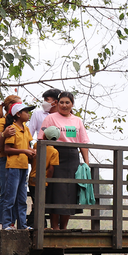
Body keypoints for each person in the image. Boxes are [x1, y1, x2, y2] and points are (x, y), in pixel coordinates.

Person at [39, 91, 91, 230]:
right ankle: (54, 227)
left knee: (70, 191)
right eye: (61, 102)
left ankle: (64, 227)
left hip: (72, 157)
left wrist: (86, 162)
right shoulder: (50, 118)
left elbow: (83, 142)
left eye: (67, 102)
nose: (64, 105)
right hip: (55, 154)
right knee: (56, 191)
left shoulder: (77, 120)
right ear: (57, 103)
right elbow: (41, 138)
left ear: (72, 104)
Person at [1, 102, 36, 230]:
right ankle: (6, 224)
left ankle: (22, 225)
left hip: (24, 166)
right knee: (10, 197)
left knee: (22, 198)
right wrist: (25, 151)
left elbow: (27, 145)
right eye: (26, 112)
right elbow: (7, 148)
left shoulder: (26, 128)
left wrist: (31, 151)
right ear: (18, 114)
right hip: (14, 166)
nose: (28, 114)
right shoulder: (12, 128)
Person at [0, 94, 21, 230]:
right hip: (5, 160)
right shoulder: (1, 122)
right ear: (11, 106)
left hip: (18, 162)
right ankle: (0, 222)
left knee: (15, 195)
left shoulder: (20, 124)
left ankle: (11, 222)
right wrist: (5, 134)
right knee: (5, 193)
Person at [28, 126, 59, 227]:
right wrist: (48, 180)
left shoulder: (37, 145)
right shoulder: (54, 152)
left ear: (45, 136)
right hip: (43, 180)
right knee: (39, 204)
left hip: (33, 178)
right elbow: (51, 168)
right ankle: (34, 224)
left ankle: (39, 224)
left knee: (36, 202)